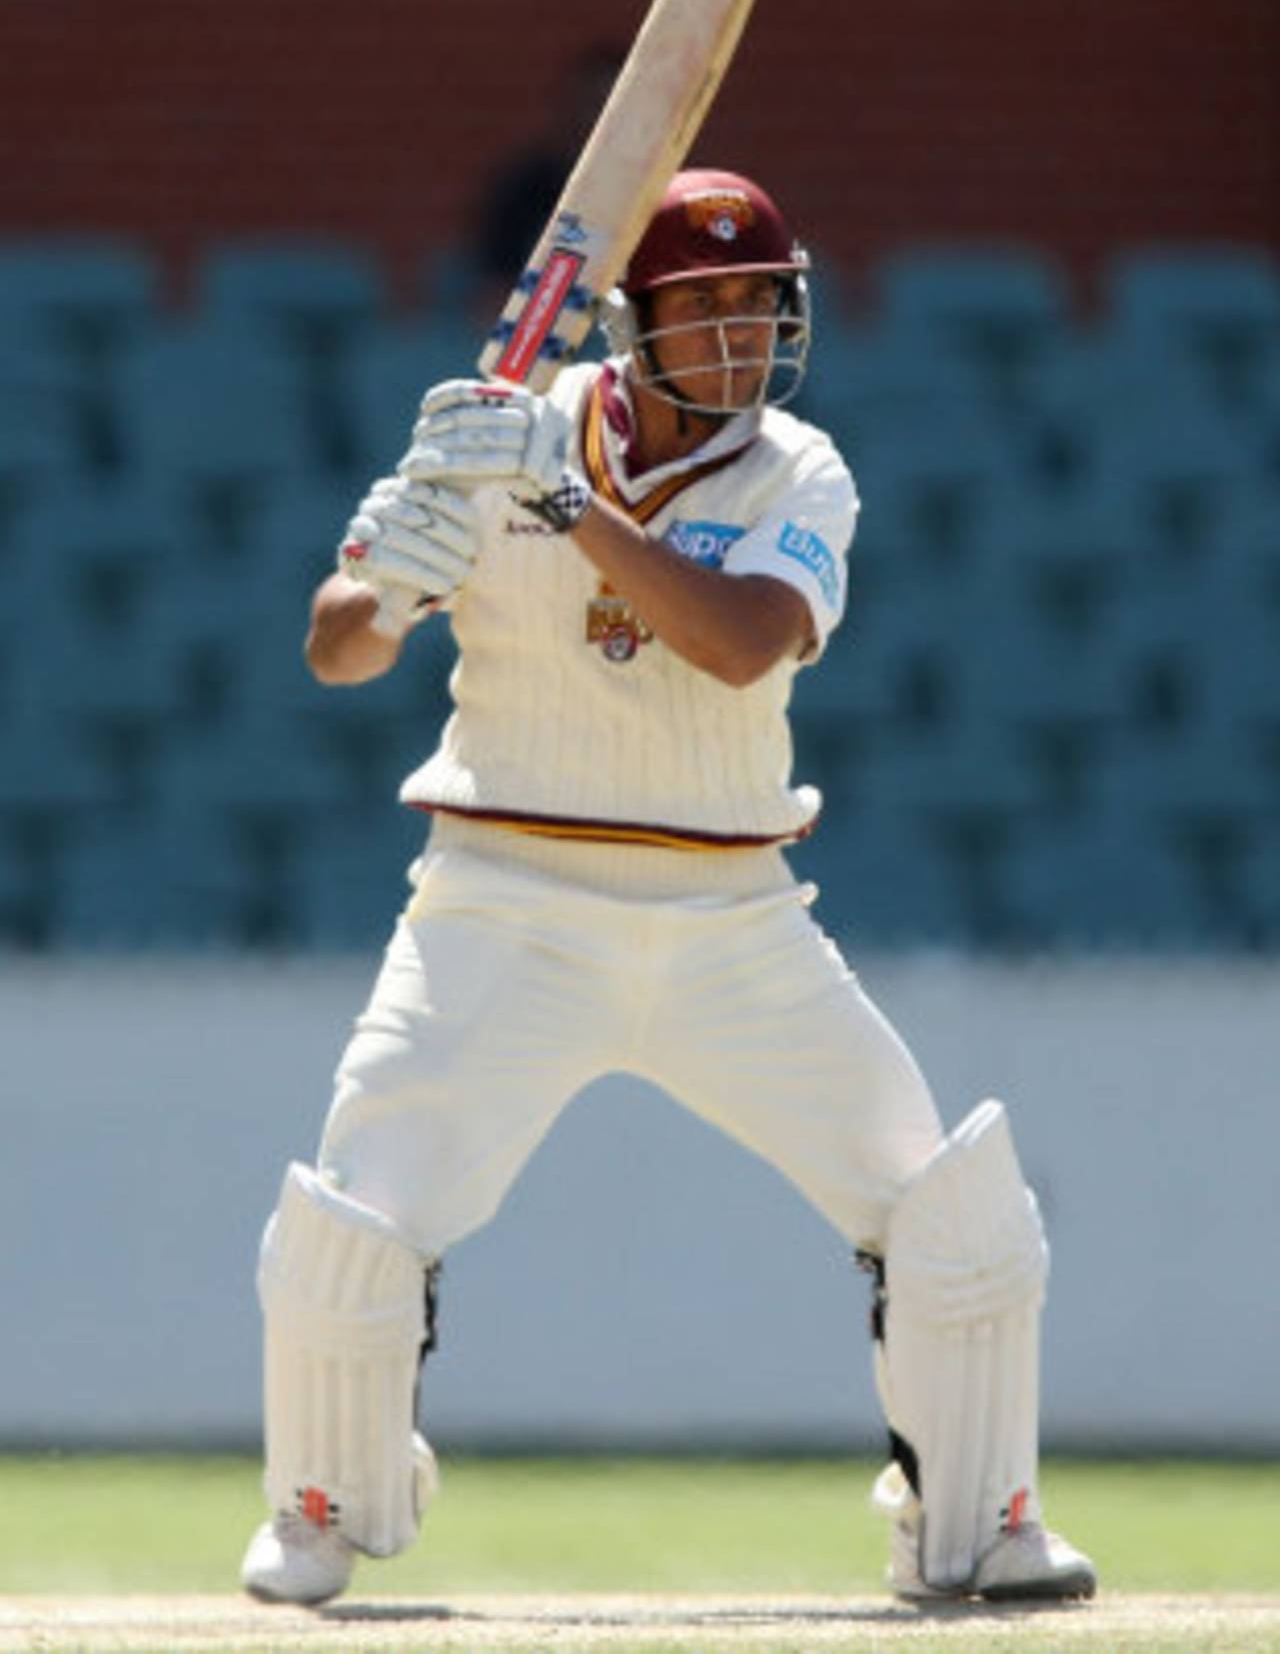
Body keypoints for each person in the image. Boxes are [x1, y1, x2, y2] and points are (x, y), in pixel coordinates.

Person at [239, 169, 1097, 1609]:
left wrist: (557, 500)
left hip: (731, 918)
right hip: (502, 899)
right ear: (632, 323)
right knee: (359, 1211)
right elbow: (336, 652)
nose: (739, 339)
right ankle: (321, 1506)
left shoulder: (799, 472)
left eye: (760, 306)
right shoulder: (505, 429)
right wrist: (401, 558)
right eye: (702, 310)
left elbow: (741, 642)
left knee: (947, 1205)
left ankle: (981, 1519)